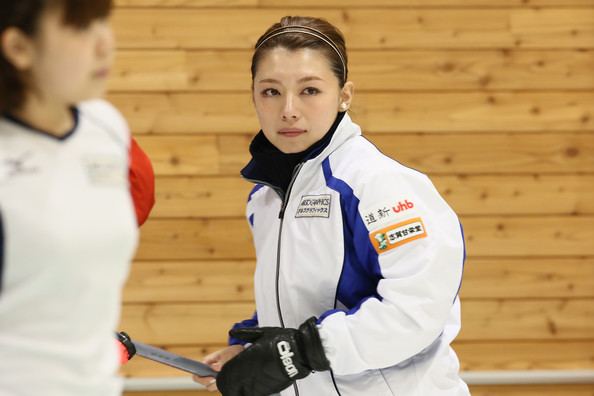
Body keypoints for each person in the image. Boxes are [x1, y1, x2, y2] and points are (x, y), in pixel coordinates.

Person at [193, 15, 469, 396]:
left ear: (344, 95)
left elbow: (414, 313)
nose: (289, 109)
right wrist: (250, 348)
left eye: (310, 90)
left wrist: (300, 351)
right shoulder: (266, 198)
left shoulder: (379, 185)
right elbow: (299, 303)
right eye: (271, 91)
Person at [0, 1, 140, 395]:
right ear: (19, 48)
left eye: (103, 22)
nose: (105, 44)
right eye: (80, 28)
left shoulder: (106, 127)